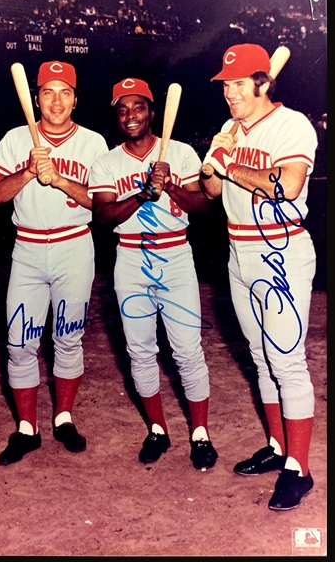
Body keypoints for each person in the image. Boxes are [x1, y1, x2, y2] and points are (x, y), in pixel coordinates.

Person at [200, 43, 318, 511]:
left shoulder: (293, 125)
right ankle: (277, 445)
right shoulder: (230, 128)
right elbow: (210, 191)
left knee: (287, 361)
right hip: (239, 249)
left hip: (280, 249)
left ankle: (300, 469)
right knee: (260, 355)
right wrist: (213, 159)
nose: (229, 92)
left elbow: (286, 185)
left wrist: (232, 164)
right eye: (225, 84)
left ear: (262, 83)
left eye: (238, 83)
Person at [88, 77, 218, 470]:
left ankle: (200, 434)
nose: (130, 116)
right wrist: (142, 193)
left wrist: (172, 186)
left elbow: (204, 208)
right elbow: (103, 216)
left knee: (187, 350)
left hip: (175, 256)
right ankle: (158, 429)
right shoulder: (107, 162)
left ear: (151, 112)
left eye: (138, 107)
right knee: (140, 350)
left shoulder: (179, 153)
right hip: (129, 260)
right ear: (116, 116)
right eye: (123, 109)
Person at [0, 61, 109, 465]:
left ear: (76, 99)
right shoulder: (15, 138)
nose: (56, 101)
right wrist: (26, 171)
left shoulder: (93, 143)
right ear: (36, 98)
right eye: (48, 93)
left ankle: (64, 418)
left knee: (68, 337)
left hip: (75, 246)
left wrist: (59, 179)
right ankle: (26, 428)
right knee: (20, 341)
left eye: (65, 93)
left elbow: (103, 204)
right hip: (27, 248)